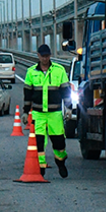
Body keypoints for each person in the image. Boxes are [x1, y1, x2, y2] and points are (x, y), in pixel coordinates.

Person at [22, 44, 70, 178]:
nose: (45, 58)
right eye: (42, 56)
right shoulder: (31, 72)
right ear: (38, 56)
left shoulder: (59, 70)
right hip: (38, 113)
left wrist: (69, 108)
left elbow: (65, 91)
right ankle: (40, 168)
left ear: (50, 56)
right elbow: (27, 94)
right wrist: (26, 111)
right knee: (39, 142)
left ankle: (61, 162)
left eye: (47, 56)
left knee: (59, 142)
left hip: (55, 113)